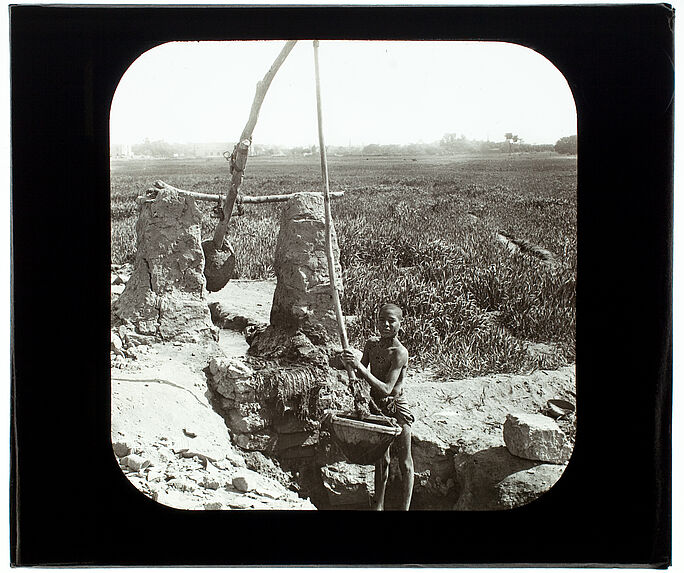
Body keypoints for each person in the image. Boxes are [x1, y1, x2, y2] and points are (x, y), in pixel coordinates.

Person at [342, 303, 414, 510]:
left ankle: (405, 508)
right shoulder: (372, 345)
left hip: (396, 406)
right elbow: (359, 371)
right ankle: (378, 507)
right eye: (382, 320)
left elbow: (387, 389)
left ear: (401, 324)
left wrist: (360, 368)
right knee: (382, 460)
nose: (386, 324)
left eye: (391, 321)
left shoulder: (400, 353)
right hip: (376, 405)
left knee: (405, 461)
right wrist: (347, 363)